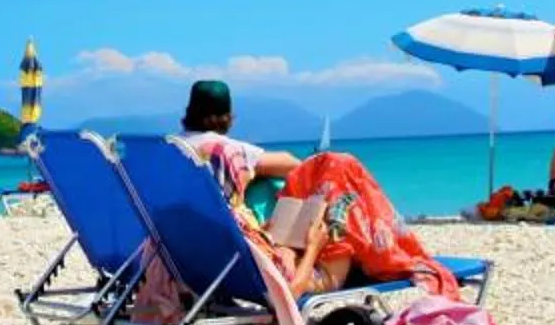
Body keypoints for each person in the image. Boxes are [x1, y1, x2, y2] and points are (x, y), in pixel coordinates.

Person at [176, 80, 454, 297]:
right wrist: (313, 247)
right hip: (254, 268)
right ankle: (383, 248)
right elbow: (291, 164)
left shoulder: (170, 150)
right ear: (228, 118)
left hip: (195, 263)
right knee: (336, 166)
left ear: (188, 113)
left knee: (333, 166)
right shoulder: (224, 150)